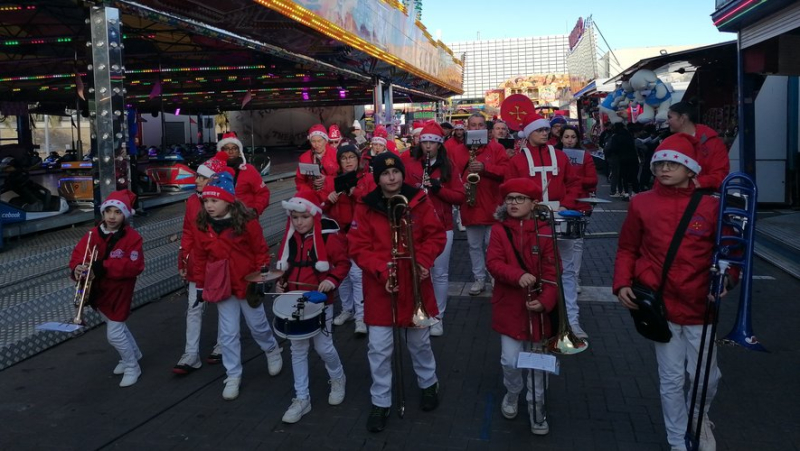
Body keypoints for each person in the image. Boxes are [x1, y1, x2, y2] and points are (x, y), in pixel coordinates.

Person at [614, 133, 727, 451]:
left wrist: (729, 278)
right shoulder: (641, 202)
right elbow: (627, 248)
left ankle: (698, 416)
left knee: (708, 377)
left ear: (691, 170)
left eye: (672, 163)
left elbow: (728, 250)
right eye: (659, 163)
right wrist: (622, 282)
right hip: (658, 305)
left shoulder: (712, 205)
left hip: (700, 304)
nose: (664, 168)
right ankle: (677, 440)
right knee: (671, 378)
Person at [348, 152, 446, 433]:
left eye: (396, 172)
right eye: (385, 174)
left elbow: (436, 235)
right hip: (382, 285)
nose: (392, 178)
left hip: (415, 280)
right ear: (377, 178)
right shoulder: (365, 207)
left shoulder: (419, 200)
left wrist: (424, 260)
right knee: (379, 349)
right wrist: (382, 270)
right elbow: (357, 247)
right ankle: (380, 401)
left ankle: (428, 384)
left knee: (420, 343)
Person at [193, 172, 283, 401]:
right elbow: (201, 257)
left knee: (258, 325)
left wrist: (262, 278)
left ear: (228, 200)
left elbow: (260, 250)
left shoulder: (247, 222)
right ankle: (233, 374)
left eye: (215, 200)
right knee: (228, 332)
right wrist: (201, 286)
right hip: (222, 286)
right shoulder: (203, 225)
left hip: (247, 283)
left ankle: (272, 349)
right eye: (206, 201)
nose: (209, 205)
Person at [487, 178, 557, 436]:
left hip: (538, 307)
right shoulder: (498, 230)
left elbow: (553, 271)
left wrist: (547, 300)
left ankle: (537, 407)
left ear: (533, 203)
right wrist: (516, 275)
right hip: (509, 305)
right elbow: (493, 262)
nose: (513, 203)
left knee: (538, 363)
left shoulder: (546, 231)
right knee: (509, 359)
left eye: (520, 199)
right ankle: (513, 391)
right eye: (509, 199)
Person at [505, 113, 586, 337]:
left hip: (559, 218)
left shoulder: (560, 156)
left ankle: (571, 319)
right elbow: (510, 191)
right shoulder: (517, 160)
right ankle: (537, 316)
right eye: (539, 130)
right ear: (529, 133)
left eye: (545, 130)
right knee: (535, 269)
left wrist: (566, 205)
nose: (545, 133)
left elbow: (574, 183)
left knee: (567, 271)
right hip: (531, 221)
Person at [274, 191, 350, 423]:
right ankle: (301, 398)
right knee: (297, 349)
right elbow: (283, 267)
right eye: (295, 218)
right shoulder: (289, 239)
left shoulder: (328, 238)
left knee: (324, 347)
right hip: (293, 301)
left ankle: (338, 378)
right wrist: (280, 282)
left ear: (313, 216)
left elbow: (343, 263)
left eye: (304, 217)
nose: (299, 222)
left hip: (318, 302)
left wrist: (331, 280)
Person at [69, 189, 145, 387]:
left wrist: (103, 266)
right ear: (102, 213)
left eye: (117, 212)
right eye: (108, 211)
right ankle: (134, 354)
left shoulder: (132, 237)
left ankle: (131, 366)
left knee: (114, 333)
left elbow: (135, 266)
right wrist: (77, 268)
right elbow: (78, 255)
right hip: (99, 291)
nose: (112, 216)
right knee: (115, 325)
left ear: (125, 215)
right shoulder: (92, 234)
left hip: (119, 291)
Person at [401, 122, 465, 336]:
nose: (428, 146)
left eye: (432, 142)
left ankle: (438, 316)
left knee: (439, 273)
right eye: (425, 142)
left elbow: (460, 197)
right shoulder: (409, 164)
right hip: (414, 226)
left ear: (439, 145)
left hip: (442, 225)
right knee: (417, 271)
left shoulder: (449, 166)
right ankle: (419, 310)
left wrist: (438, 189)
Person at [174, 152, 227, 374]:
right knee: (194, 308)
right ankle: (191, 353)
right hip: (197, 262)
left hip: (218, 264)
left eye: (202, 178)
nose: (197, 181)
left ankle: (223, 344)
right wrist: (183, 257)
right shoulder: (192, 201)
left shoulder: (226, 202)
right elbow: (187, 231)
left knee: (224, 306)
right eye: (197, 177)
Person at [459, 113, 511, 296]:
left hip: (493, 204)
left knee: (493, 245)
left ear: (486, 129)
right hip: (471, 205)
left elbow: (507, 171)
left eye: (480, 124)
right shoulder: (459, 149)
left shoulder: (496, 148)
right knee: (474, 246)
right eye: (473, 125)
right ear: (468, 128)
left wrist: (486, 169)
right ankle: (479, 278)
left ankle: (495, 276)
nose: (476, 128)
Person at [322, 144, 368, 336]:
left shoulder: (365, 178)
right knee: (343, 276)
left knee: (357, 276)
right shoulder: (331, 181)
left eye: (351, 157)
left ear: (358, 159)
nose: (348, 161)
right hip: (339, 234)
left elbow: (369, 201)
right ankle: (347, 310)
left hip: (358, 234)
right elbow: (321, 209)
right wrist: (328, 200)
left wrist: (354, 192)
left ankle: (361, 316)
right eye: (344, 158)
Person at [557, 125, 598, 299]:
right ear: (561, 138)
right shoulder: (555, 155)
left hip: (580, 203)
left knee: (577, 244)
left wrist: (573, 178)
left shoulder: (585, 156)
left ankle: (574, 277)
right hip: (561, 203)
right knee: (559, 241)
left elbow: (593, 180)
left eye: (573, 137)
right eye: (566, 136)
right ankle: (561, 274)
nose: (569, 140)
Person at [666, 101, 730, 190]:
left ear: (683, 118)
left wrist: (697, 183)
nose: (667, 122)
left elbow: (720, 174)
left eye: (670, 117)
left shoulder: (713, 142)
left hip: (703, 196)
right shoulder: (669, 143)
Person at [217, 131, 271, 216]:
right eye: (227, 148)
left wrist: (255, 210)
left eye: (234, 148)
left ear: (239, 151)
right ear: (221, 151)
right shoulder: (216, 171)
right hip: (223, 222)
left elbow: (263, 193)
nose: (231, 151)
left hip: (246, 220)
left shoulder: (249, 170)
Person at [296, 124, 339, 193]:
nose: (316, 145)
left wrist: (327, 180)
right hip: (312, 195)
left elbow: (342, 177)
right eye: (313, 141)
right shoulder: (304, 158)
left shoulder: (336, 154)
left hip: (332, 194)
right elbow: (300, 181)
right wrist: (310, 191)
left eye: (319, 141)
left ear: (325, 140)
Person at [605, 123, 639, 199]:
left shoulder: (615, 136)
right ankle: (635, 192)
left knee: (624, 176)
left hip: (622, 158)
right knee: (633, 176)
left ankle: (626, 193)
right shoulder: (629, 135)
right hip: (633, 158)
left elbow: (613, 148)